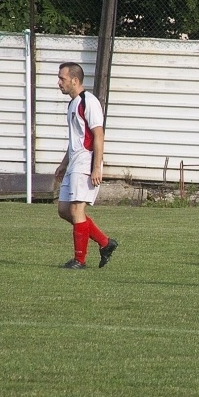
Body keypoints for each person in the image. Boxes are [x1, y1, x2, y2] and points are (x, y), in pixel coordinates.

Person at [55, 62, 118, 269]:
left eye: (62, 79)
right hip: (74, 162)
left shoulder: (88, 101)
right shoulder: (72, 104)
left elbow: (98, 134)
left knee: (76, 209)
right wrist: (63, 164)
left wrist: (97, 167)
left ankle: (79, 260)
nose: (59, 83)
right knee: (64, 210)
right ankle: (105, 243)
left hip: (86, 160)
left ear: (75, 80)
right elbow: (75, 138)